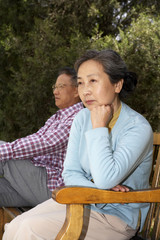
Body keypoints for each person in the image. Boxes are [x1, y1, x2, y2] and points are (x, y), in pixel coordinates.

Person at [3, 49, 153, 240]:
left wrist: (99, 127)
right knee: (15, 226)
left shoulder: (137, 128)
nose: (85, 90)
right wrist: (100, 188)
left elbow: (105, 178)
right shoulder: (82, 118)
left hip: (116, 217)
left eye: (93, 81)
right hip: (80, 202)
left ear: (117, 85)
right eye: (81, 82)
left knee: (28, 229)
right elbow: (70, 173)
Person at [0, 67, 83, 207]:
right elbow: (35, 138)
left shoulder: (79, 118)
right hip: (33, 185)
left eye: (61, 87)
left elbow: (47, 143)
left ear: (76, 90)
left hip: (53, 189)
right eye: (55, 87)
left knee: (6, 155)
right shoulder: (57, 117)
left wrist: (6, 149)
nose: (55, 91)